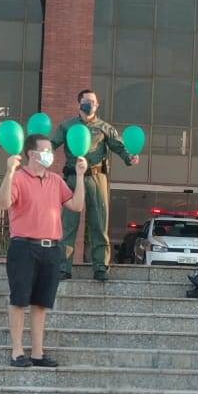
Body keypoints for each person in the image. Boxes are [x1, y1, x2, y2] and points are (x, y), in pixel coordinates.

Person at [0, 135, 87, 368]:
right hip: (24, 247)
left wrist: (80, 176)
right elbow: (3, 203)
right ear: (31, 154)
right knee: (19, 300)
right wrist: (9, 172)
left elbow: (77, 205)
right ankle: (17, 351)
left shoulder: (55, 180)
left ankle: (37, 352)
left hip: (51, 248)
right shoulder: (18, 178)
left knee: (41, 303)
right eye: (45, 150)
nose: (50, 155)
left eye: (51, 151)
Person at [51, 89, 139, 282]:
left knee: (99, 223)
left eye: (94, 102)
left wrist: (129, 157)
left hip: (97, 177)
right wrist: (38, 154)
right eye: (87, 101)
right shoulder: (67, 126)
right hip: (73, 178)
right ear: (79, 103)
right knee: (68, 224)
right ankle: (63, 267)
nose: (90, 104)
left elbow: (119, 146)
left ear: (97, 105)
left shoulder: (104, 128)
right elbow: (52, 144)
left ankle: (100, 267)